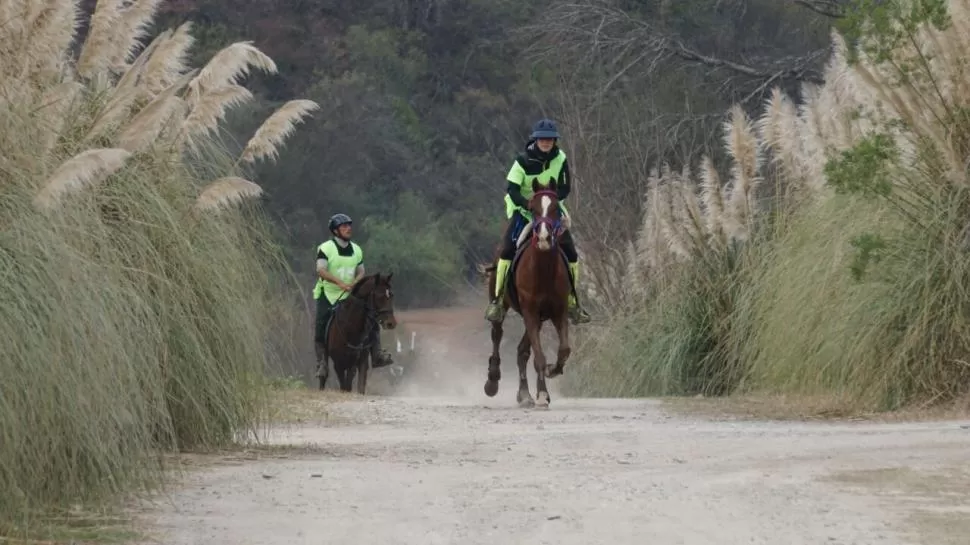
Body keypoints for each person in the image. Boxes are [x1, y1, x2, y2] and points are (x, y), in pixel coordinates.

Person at [484, 118, 592, 325]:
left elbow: (565, 187)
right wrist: (528, 205)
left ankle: (572, 301)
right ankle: (497, 301)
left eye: (549, 139)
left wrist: (550, 201)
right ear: (536, 140)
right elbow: (512, 189)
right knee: (507, 250)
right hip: (525, 210)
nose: (546, 142)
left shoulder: (561, 158)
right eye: (542, 139)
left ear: (554, 141)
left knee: (571, 253)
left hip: (549, 211)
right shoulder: (522, 161)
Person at [313, 213, 394, 380]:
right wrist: (340, 283)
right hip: (328, 293)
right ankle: (322, 363)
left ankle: (377, 354)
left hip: (350, 294)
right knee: (321, 324)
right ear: (335, 231)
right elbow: (321, 270)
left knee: (371, 319)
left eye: (349, 225)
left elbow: (361, 271)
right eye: (344, 226)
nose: (349, 228)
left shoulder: (356, 249)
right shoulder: (325, 248)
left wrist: (355, 283)